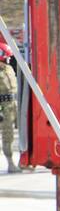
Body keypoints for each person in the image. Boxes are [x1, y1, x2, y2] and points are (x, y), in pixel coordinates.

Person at [0, 44, 18, 174]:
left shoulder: (9, 69)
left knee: (12, 134)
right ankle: (10, 163)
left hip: (13, 105)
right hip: (3, 107)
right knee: (7, 135)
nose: (9, 59)